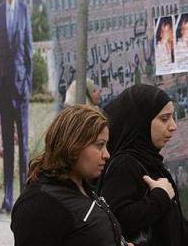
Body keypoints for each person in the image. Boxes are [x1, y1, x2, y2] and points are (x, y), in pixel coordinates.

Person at [98, 84, 188, 246]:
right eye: (164, 119)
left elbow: (177, 226)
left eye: (172, 117)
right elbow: (116, 220)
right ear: (141, 121)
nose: (173, 126)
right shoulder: (125, 165)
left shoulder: (151, 162)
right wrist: (159, 197)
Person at [11, 104, 133, 246]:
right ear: (73, 145)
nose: (106, 155)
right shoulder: (40, 203)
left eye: (106, 145)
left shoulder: (81, 187)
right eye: (100, 145)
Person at [0, 0, 33, 213]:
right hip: (5, 89)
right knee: (8, 146)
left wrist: (28, 83)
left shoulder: (23, 10)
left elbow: (29, 51)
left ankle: (25, 198)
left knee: (24, 147)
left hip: (22, 89)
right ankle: (8, 200)